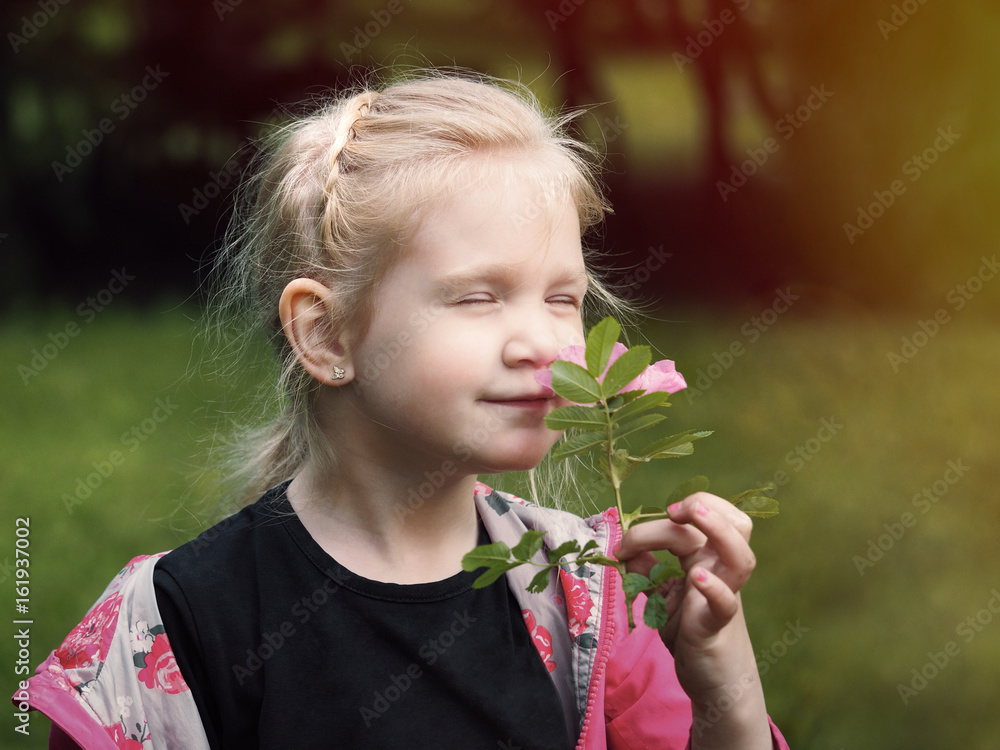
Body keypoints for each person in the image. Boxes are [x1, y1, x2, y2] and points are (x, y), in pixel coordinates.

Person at [16, 72, 790, 749]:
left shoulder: (586, 592)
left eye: (563, 298)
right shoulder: (175, 623)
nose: (545, 343)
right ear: (326, 334)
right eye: (478, 296)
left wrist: (723, 676)